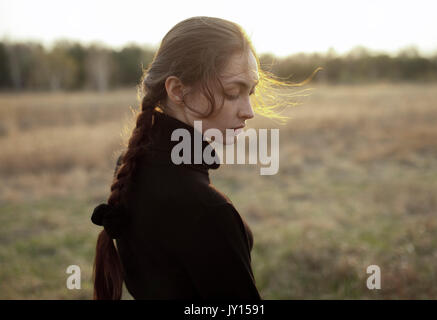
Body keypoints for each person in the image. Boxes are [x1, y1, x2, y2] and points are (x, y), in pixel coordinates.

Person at [90, 16, 320, 300]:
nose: (249, 110)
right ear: (177, 91)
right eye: (232, 92)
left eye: (250, 92)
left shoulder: (130, 164)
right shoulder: (208, 210)